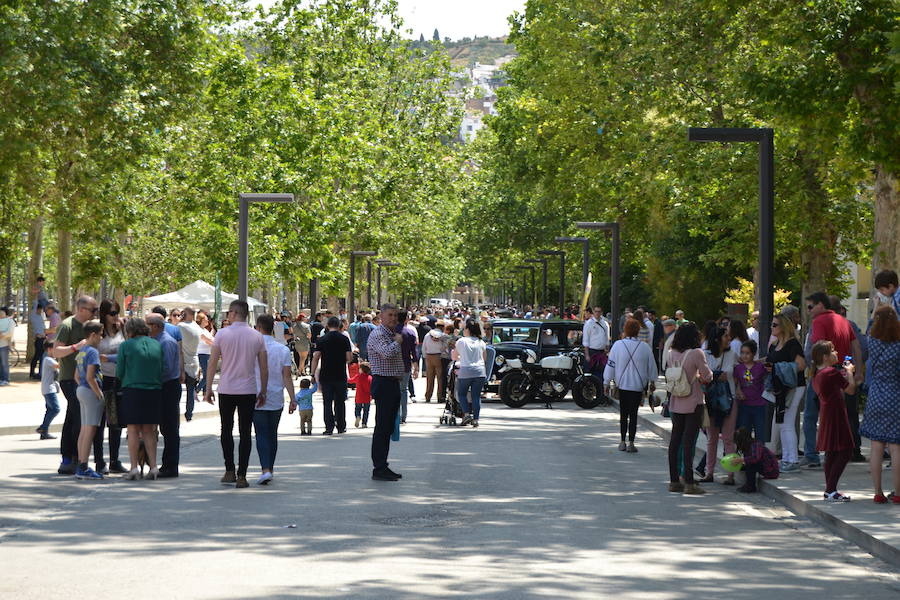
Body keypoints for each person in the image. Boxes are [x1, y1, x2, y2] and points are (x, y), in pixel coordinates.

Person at [204, 300, 268, 489]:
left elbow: (212, 362)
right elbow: (264, 368)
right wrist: (263, 390)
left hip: (226, 389)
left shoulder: (222, 334)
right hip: (248, 389)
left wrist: (208, 388)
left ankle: (229, 469)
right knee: (245, 432)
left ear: (233, 313)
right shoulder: (257, 336)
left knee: (226, 429)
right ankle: (242, 475)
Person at [802, 292, 863, 468]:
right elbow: (856, 346)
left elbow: (819, 347)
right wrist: (857, 371)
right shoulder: (844, 321)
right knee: (844, 415)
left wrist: (816, 370)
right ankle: (846, 451)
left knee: (811, 415)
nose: (809, 310)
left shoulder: (819, 321)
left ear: (821, 305)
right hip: (844, 372)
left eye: (810, 306)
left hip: (825, 372)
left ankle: (812, 455)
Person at [859, 305, 900, 504]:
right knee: (895, 447)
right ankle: (898, 493)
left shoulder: (872, 341)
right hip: (895, 396)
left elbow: (868, 329)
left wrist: (875, 310)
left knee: (876, 447)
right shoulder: (898, 345)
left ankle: (878, 492)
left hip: (876, 395)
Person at [666, 323, 713, 494]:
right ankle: (689, 482)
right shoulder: (696, 353)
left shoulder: (671, 353)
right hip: (693, 402)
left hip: (676, 401)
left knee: (675, 441)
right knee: (688, 442)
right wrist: (700, 376)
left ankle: (673, 480)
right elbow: (707, 376)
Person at [51, 296, 96, 474]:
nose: (95, 313)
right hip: (70, 378)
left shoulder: (89, 326)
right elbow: (56, 351)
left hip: (84, 379)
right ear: (82, 309)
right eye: (93, 310)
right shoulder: (67, 325)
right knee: (77, 417)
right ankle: (72, 457)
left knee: (74, 417)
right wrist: (76, 346)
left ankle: (71, 457)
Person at [117, 317, 163, 480]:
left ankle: (134, 467)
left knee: (133, 429)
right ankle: (154, 466)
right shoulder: (156, 344)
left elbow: (119, 371)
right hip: (154, 390)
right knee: (149, 430)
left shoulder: (125, 346)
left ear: (129, 331)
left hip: (133, 389)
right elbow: (161, 368)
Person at [811, 340, 857, 502]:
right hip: (836, 414)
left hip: (827, 414)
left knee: (831, 451)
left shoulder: (818, 373)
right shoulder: (831, 372)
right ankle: (831, 489)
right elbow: (850, 389)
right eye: (833, 351)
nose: (836, 353)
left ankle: (829, 489)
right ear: (825, 357)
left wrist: (843, 374)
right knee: (845, 450)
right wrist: (850, 372)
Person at [253, 314, 296, 485]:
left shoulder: (253, 348)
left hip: (256, 395)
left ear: (257, 327)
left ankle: (265, 469)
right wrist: (293, 398)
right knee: (272, 434)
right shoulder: (282, 350)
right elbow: (287, 376)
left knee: (261, 434)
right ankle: (270, 467)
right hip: (276, 396)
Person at [604, 318, 657, 452]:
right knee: (634, 415)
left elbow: (610, 366)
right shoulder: (645, 347)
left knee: (623, 414)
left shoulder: (618, 345)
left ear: (625, 330)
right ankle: (632, 443)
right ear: (638, 331)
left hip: (623, 386)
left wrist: (606, 382)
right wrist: (652, 382)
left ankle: (622, 441)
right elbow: (652, 368)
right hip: (638, 387)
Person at [367, 303, 405, 481]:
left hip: (392, 383)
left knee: (388, 426)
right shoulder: (379, 334)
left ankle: (383, 464)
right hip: (383, 383)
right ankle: (379, 467)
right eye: (390, 315)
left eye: (396, 315)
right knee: (382, 427)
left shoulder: (391, 334)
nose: (394, 318)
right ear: (381, 316)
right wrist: (397, 342)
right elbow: (387, 354)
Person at [767, 313, 807, 473]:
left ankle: (792, 460)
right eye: (771, 324)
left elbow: (801, 365)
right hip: (780, 388)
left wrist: (778, 369)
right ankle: (787, 458)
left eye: (775, 325)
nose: (772, 327)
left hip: (794, 387)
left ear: (783, 327)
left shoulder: (792, 344)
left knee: (787, 423)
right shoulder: (774, 344)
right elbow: (771, 362)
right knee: (783, 424)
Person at [701, 327, 737, 484]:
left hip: (729, 398)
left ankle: (731, 474)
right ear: (717, 338)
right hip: (710, 400)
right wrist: (716, 374)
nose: (729, 338)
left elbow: (726, 373)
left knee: (728, 438)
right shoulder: (706, 354)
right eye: (726, 335)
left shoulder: (731, 354)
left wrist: (715, 374)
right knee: (712, 438)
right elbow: (706, 374)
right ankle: (709, 472)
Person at [94, 299, 126, 474]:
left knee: (116, 422)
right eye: (112, 313)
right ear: (104, 314)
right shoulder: (98, 331)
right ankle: (99, 461)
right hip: (102, 378)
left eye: (117, 312)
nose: (116, 317)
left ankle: (115, 459)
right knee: (99, 422)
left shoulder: (123, 329)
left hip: (119, 378)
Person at [310, 316, 352, 435]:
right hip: (340, 374)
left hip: (326, 374)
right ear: (339, 326)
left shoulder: (322, 339)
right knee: (340, 401)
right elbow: (349, 358)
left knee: (327, 401)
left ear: (327, 326)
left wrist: (313, 374)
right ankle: (341, 426)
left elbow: (316, 357)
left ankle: (329, 427)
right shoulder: (344, 339)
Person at [74, 321, 105, 480]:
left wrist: (85, 387)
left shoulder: (82, 351)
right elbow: (90, 376)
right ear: (93, 335)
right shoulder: (92, 352)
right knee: (90, 430)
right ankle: (84, 466)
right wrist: (98, 393)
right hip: (90, 391)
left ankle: (81, 463)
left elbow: (77, 376)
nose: (101, 337)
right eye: (100, 334)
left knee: (84, 429)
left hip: (81, 390)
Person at [452, 319, 488, 427]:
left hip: (466, 370)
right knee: (476, 396)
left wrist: (461, 357)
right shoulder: (481, 342)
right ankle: (476, 419)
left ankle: (466, 414)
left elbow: (454, 357)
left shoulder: (461, 341)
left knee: (461, 394)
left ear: (467, 329)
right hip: (480, 371)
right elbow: (484, 358)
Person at [733, 340, 767, 442]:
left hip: (759, 404)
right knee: (744, 434)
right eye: (742, 353)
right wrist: (738, 390)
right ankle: (747, 456)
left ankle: (760, 455)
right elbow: (735, 382)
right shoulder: (738, 368)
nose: (744, 356)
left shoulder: (760, 367)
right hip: (744, 405)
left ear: (753, 354)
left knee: (760, 433)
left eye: (747, 353)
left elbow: (769, 361)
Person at [733, 427, 779, 493]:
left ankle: (751, 486)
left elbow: (755, 458)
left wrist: (741, 459)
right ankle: (748, 484)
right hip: (764, 466)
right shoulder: (747, 447)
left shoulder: (755, 445)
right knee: (744, 466)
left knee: (751, 465)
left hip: (771, 470)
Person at [177, 307, 202, 422]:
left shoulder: (181, 327)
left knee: (177, 389)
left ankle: (176, 411)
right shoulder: (197, 327)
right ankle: (189, 413)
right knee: (191, 390)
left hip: (183, 361)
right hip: (194, 361)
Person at [396, 310, 418, 423]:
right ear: (406, 319)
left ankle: (395, 414)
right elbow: (414, 352)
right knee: (404, 390)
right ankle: (403, 416)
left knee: (393, 390)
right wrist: (416, 367)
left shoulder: (391, 331)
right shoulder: (410, 333)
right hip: (405, 364)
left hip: (392, 365)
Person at [37, 341, 60, 439]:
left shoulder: (51, 359)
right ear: (49, 349)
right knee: (55, 409)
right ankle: (43, 427)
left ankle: (44, 432)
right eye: (56, 349)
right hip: (49, 389)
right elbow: (59, 366)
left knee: (49, 410)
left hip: (49, 388)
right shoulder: (48, 359)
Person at [422, 324, 447, 403]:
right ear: (442, 327)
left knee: (429, 378)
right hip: (438, 356)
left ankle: (428, 396)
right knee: (440, 378)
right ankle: (440, 397)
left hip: (429, 356)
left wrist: (425, 356)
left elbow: (424, 347)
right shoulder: (442, 336)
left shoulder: (428, 335)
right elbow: (444, 347)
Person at [196, 310, 216, 393]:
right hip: (202, 355)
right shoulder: (200, 330)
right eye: (206, 319)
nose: (208, 320)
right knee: (207, 375)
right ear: (202, 320)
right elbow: (209, 341)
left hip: (207, 354)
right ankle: (197, 389)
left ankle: (204, 391)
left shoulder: (204, 330)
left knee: (207, 374)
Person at [350, 362, 373, 428]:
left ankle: (358, 416)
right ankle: (364, 423)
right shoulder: (370, 378)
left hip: (359, 397)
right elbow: (372, 388)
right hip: (367, 397)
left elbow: (350, 381)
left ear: (361, 369)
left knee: (357, 409)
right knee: (366, 411)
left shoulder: (358, 376)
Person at [29, 302, 47, 379]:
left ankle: (39, 373)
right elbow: (35, 302)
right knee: (37, 356)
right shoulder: (33, 316)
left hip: (43, 338)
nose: (40, 311)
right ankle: (32, 373)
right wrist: (38, 294)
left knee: (41, 356)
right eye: (39, 310)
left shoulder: (40, 317)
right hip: (39, 339)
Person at [0, 306, 15, 386]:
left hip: (4, 345)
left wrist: (2, 335)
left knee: (4, 363)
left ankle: (5, 379)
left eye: (1, 312)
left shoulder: (10, 321)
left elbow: (10, 332)